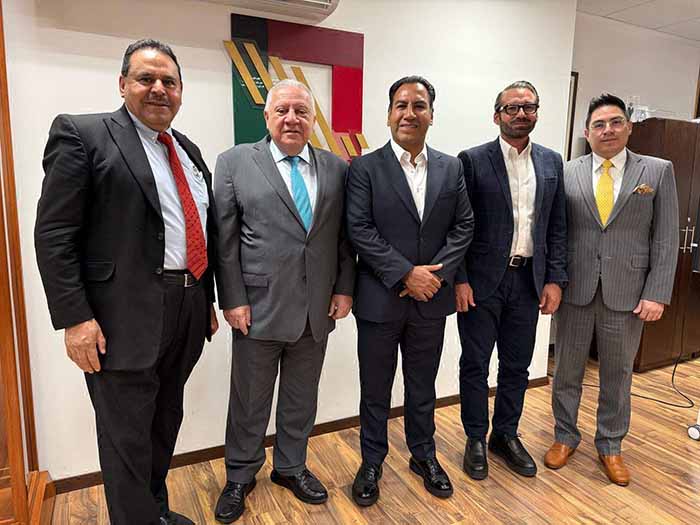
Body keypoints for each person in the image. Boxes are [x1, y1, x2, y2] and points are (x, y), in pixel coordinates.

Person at [35, 39, 218, 525]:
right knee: (126, 437)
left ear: (181, 92)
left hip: (187, 308)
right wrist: (75, 319)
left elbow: (200, 227)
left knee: (164, 421)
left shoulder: (187, 149)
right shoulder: (83, 134)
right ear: (122, 84)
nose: (159, 89)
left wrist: (207, 298)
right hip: (120, 318)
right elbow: (54, 233)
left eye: (169, 82)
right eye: (145, 78)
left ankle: (153, 512)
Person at [213, 79, 355, 523]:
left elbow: (343, 237)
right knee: (249, 400)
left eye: (301, 111)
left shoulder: (336, 168)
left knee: (301, 397)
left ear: (313, 119)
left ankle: (291, 467)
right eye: (283, 110)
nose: (292, 118)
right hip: (257, 309)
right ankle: (240, 475)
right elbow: (224, 240)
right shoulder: (235, 162)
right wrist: (232, 299)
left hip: (316, 309)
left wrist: (344, 288)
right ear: (267, 116)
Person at [345, 76, 473, 507]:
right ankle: (371, 462)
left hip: (431, 301)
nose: (409, 113)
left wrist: (434, 276)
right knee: (375, 389)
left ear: (431, 115)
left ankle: (424, 455)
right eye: (401, 105)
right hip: (379, 300)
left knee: (423, 387)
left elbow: (464, 226)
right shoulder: (364, 168)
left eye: (419, 106)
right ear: (388, 115)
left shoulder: (451, 168)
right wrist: (405, 274)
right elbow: (359, 229)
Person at [546, 93, 679, 486]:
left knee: (617, 375)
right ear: (587, 132)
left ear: (629, 127)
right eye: (599, 124)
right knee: (566, 370)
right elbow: (556, 233)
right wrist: (552, 280)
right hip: (576, 289)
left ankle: (610, 445)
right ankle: (564, 436)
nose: (608, 130)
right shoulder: (567, 171)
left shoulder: (656, 171)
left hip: (628, 291)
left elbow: (666, 237)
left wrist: (657, 292)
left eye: (615, 122)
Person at [456, 81, 567, 481]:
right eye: (512, 108)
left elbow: (557, 226)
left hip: (528, 281)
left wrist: (555, 279)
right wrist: (460, 279)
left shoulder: (552, 162)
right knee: (475, 364)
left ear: (537, 112)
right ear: (497, 115)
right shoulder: (472, 160)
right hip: (481, 282)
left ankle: (505, 434)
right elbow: (459, 226)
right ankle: (475, 437)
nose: (521, 114)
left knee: (517, 366)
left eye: (528, 107)